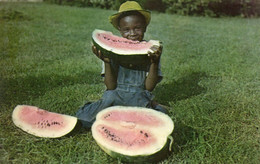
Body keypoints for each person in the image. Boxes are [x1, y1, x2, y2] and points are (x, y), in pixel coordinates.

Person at [76, 1, 168, 128]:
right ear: (119, 30)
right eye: (126, 30)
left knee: (155, 121)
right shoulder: (110, 51)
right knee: (84, 118)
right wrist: (107, 62)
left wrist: (154, 62)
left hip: (139, 96)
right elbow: (110, 86)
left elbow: (148, 87)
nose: (132, 33)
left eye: (137, 28)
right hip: (115, 95)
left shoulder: (152, 51)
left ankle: (152, 105)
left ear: (145, 27)